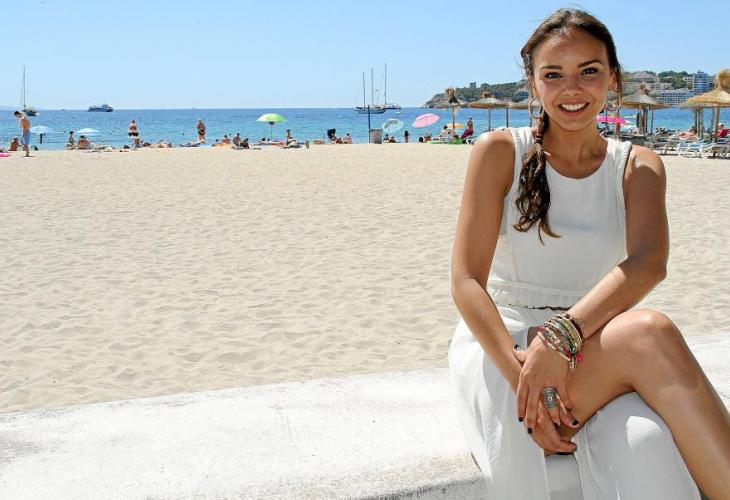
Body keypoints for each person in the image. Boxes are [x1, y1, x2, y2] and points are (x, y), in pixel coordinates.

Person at [448, 8, 730, 499]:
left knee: (647, 442)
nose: (571, 89)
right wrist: (526, 377)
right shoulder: (499, 152)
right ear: (533, 84)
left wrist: (560, 339)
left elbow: (648, 264)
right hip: (504, 350)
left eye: (589, 71)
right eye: (553, 74)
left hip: (593, 345)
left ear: (613, 78)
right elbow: (466, 281)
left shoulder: (639, 166)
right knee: (649, 332)